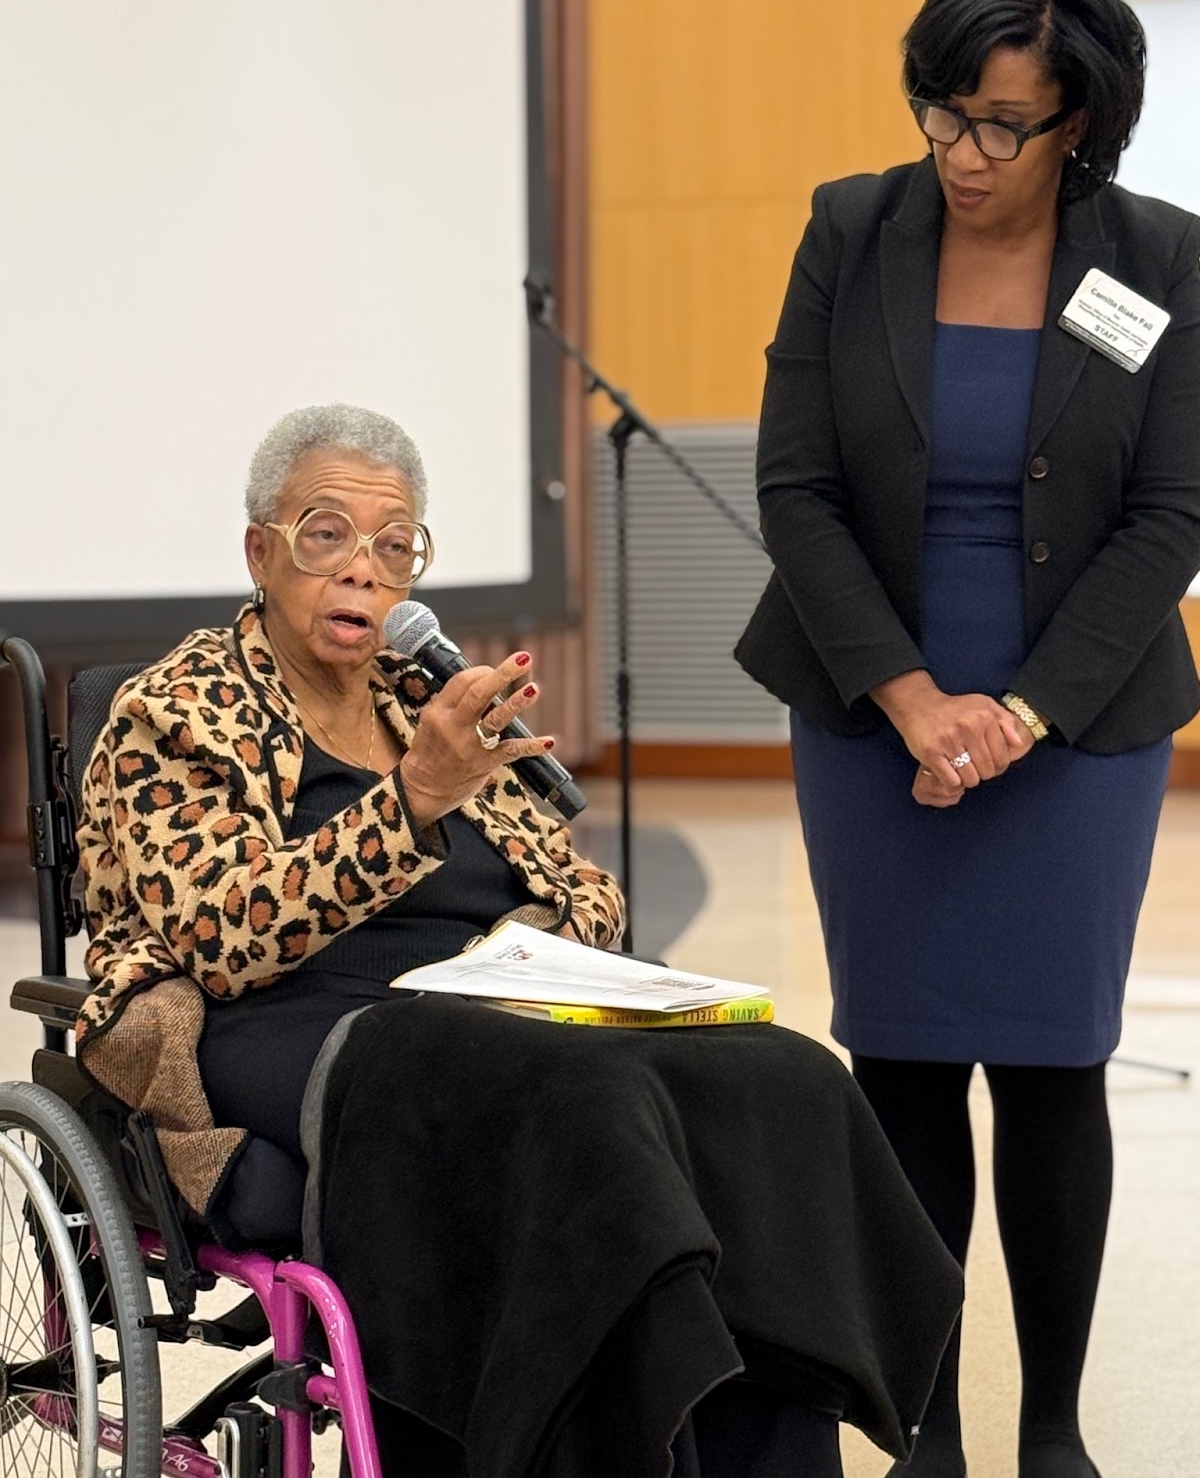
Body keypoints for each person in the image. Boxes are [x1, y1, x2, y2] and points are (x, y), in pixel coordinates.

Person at [75, 404, 963, 1478]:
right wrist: (409, 802)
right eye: (327, 533)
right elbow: (221, 937)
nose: (365, 569)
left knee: (781, 1076)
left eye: (395, 544)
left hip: (488, 1004)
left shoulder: (429, 702)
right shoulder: (176, 708)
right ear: (260, 549)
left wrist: (535, 950)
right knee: (589, 1107)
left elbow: (584, 886)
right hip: (292, 1017)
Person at [736, 0, 1200, 1478]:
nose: (964, 152)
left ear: (1084, 121)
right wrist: (917, 698)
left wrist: (1020, 716)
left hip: (1078, 718)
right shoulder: (851, 231)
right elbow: (794, 488)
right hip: (874, 703)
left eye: (1005, 122)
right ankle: (923, 1424)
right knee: (907, 1064)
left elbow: (1172, 515)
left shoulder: (1159, 260)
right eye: (943, 110)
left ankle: (1053, 1426)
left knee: (1058, 1062)